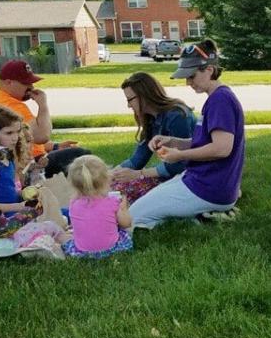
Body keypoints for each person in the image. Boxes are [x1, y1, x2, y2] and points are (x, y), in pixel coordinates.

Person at [129, 40, 245, 228]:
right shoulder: (216, 98)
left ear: (209, 70)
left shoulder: (220, 100)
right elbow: (203, 142)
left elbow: (222, 148)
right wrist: (173, 141)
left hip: (208, 189)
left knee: (133, 217)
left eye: (191, 76)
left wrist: (180, 156)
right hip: (199, 182)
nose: (188, 82)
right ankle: (201, 215)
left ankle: (201, 215)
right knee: (140, 205)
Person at [0, 59, 89, 177]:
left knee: (74, 156)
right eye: (26, 83)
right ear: (9, 82)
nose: (31, 87)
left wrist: (55, 146)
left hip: (21, 160)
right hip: (26, 167)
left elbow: (27, 139)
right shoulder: (10, 105)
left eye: (31, 82)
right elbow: (42, 136)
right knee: (83, 156)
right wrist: (43, 105)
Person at [0, 105, 65, 237]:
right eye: (9, 133)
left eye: (17, 132)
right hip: (1, 219)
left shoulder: (7, 156)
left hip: (17, 209)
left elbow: (8, 191)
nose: (15, 138)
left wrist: (25, 194)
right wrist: (20, 206)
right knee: (54, 221)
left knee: (58, 209)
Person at [110, 72, 196, 204]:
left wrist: (139, 174)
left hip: (189, 177)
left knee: (121, 193)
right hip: (171, 176)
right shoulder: (151, 118)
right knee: (111, 187)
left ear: (144, 96)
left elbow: (179, 165)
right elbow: (138, 159)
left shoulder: (176, 116)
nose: (128, 105)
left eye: (130, 100)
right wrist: (112, 174)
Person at [63, 155, 133, 258]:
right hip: (112, 249)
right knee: (125, 233)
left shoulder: (73, 203)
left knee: (67, 237)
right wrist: (123, 209)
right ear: (106, 179)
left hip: (82, 252)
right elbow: (126, 224)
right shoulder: (112, 202)